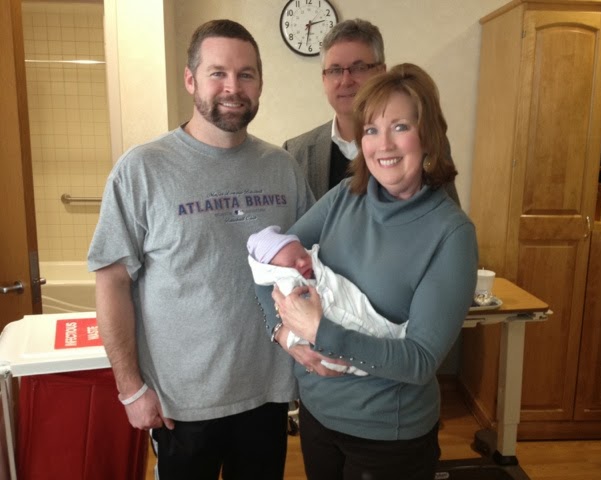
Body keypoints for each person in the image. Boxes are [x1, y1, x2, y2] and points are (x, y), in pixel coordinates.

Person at [87, 19, 314, 480]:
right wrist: (131, 390)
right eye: (218, 73)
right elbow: (111, 282)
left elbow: (310, 267)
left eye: (246, 74)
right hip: (182, 405)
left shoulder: (283, 168)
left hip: (268, 393)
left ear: (260, 84)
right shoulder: (142, 169)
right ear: (190, 80)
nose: (233, 87)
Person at [257, 63, 478, 480]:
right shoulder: (344, 197)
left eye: (400, 127)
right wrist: (284, 334)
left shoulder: (451, 234)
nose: (383, 144)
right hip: (317, 415)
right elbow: (266, 263)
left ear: (428, 135)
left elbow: (420, 361)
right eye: (372, 130)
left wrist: (320, 332)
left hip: (388, 436)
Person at [283, 18, 460, 204]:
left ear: (382, 72)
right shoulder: (295, 152)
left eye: (358, 68)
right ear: (323, 79)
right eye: (335, 70)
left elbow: (446, 212)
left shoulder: (423, 140)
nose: (346, 81)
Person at [247, 225, 408, 376]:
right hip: (333, 350)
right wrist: (284, 334)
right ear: (277, 272)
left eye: (303, 255)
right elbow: (293, 319)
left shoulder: (315, 265)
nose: (302, 262)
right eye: (292, 264)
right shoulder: (287, 287)